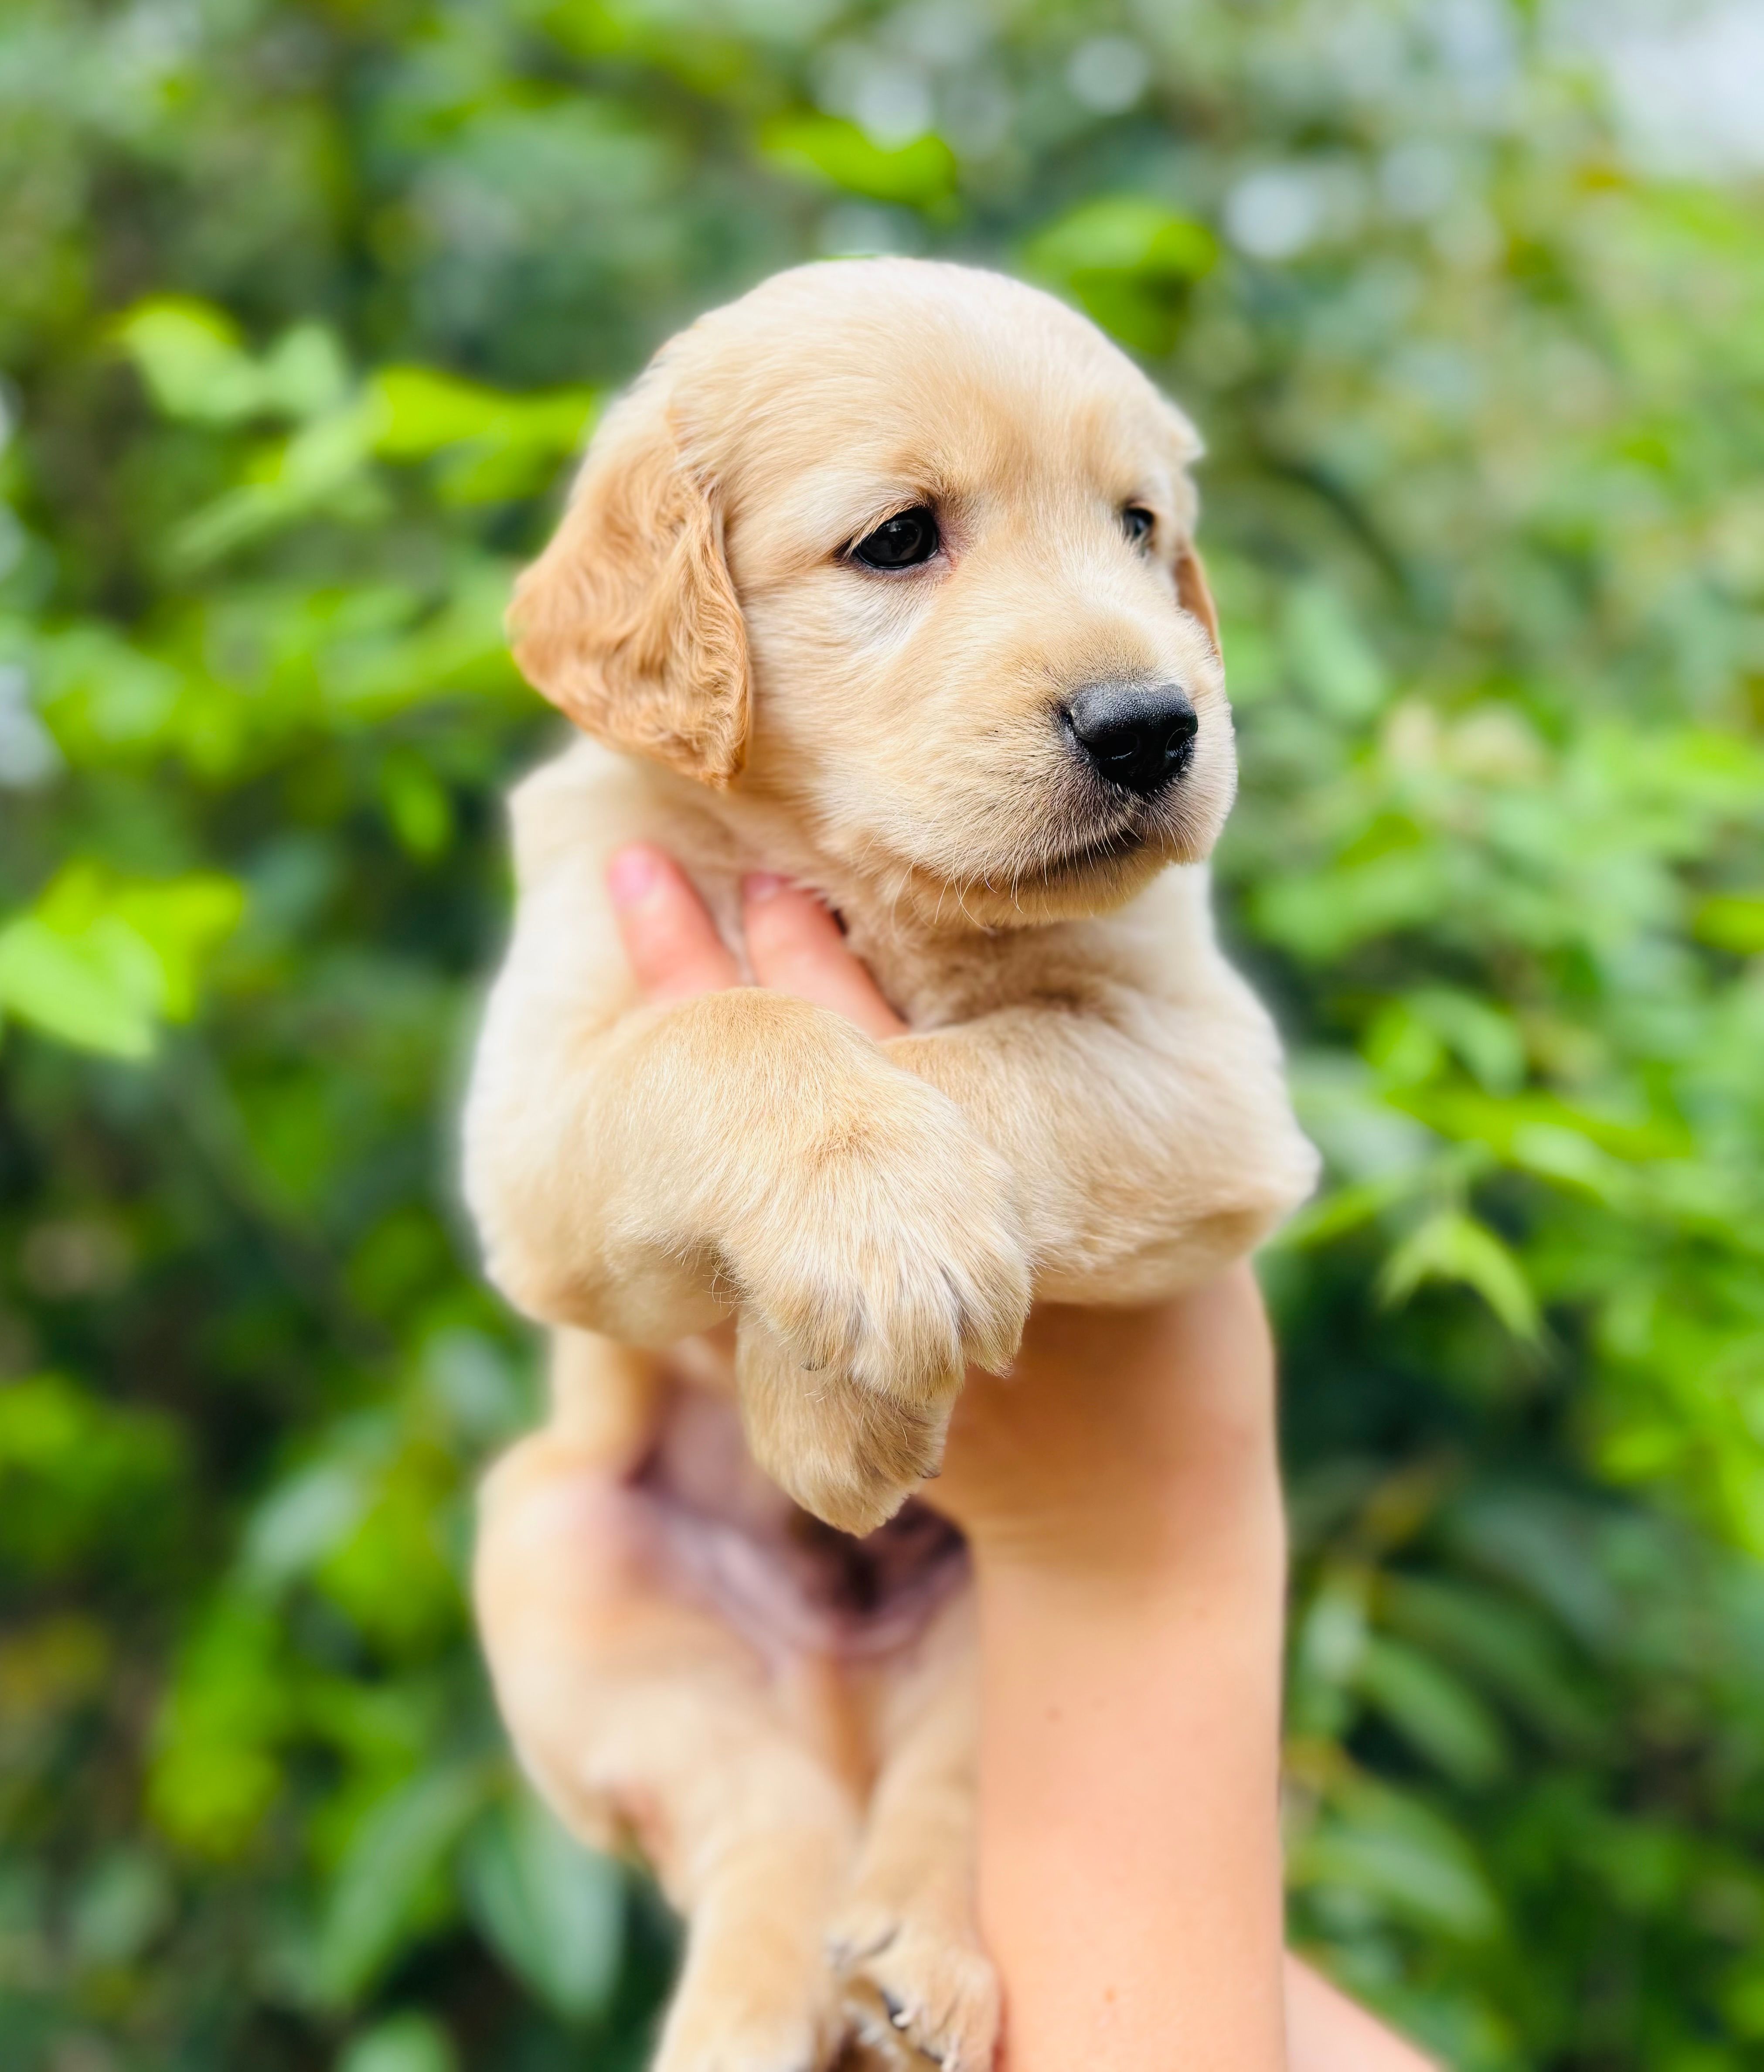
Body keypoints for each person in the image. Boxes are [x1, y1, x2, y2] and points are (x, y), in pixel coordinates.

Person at [603, 840, 1440, 2072]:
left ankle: (866, 1877)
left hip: (954, 1627)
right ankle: (778, 1886)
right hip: (711, 1591)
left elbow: (1224, 1136)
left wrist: (1129, 1542)